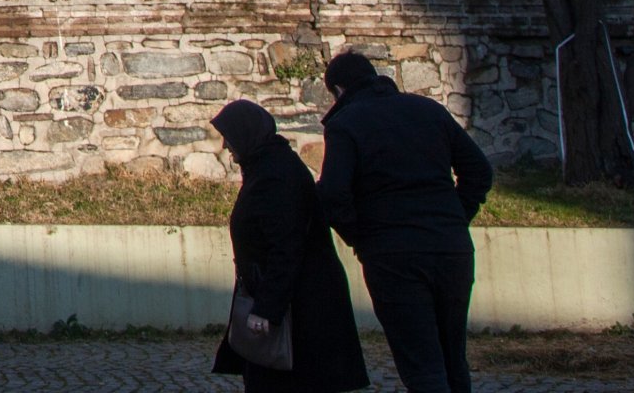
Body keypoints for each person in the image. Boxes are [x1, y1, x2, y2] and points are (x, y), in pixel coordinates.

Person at [315, 50, 493, 393]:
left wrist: (363, 239)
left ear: (338, 90)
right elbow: (480, 172)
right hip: (451, 250)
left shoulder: (345, 125)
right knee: (453, 358)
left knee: (422, 363)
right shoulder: (429, 111)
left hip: (393, 256)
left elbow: (334, 195)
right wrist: (455, 217)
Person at [210, 99, 368, 393]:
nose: (225, 147)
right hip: (293, 303)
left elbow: (286, 247)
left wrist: (267, 309)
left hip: (299, 310)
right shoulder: (270, 168)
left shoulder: (276, 176)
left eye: (228, 137)